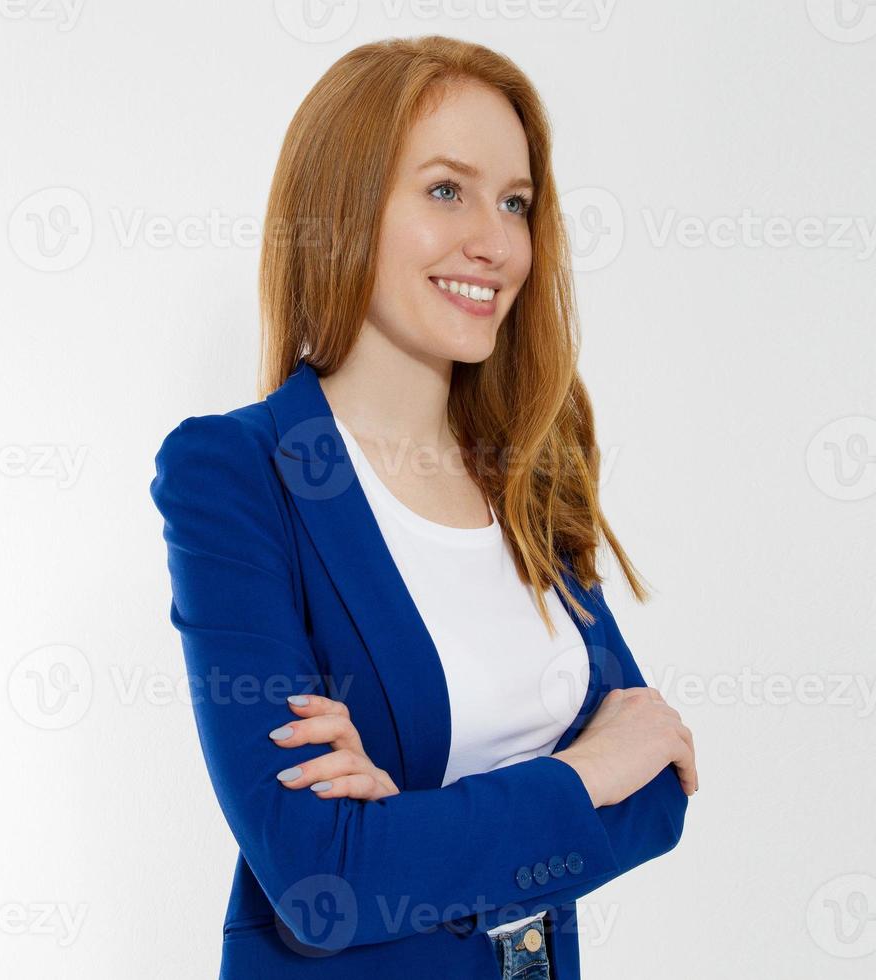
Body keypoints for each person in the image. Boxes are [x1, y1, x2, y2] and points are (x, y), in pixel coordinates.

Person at [148, 35, 696, 979]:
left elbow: (658, 790)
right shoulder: (236, 474)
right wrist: (578, 774)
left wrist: (403, 815)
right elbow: (326, 879)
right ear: (344, 209)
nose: (496, 240)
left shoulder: (528, 474)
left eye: (515, 202)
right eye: (448, 189)